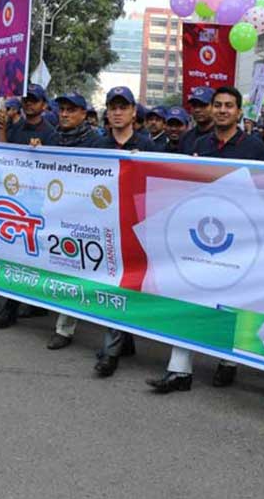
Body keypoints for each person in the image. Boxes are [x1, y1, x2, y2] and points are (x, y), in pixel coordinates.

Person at [146, 86, 264, 393]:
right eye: (218, 105)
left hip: (239, 238)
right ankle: (179, 371)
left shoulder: (256, 148)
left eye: (229, 105)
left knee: (232, 301)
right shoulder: (198, 143)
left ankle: (228, 362)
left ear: (239, 112)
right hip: (199, 233)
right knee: (188, 296)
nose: (223, 110)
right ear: (212, 110)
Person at [92, 87, 158, 377]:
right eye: (112, 107)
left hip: (136, 227)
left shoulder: (151, 147)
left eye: (123, 107)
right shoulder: (96, 145)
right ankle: (116, 346)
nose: (117, 112)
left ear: (134, 111)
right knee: (113, 283)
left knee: (128, 283)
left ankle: (115, 346)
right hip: (104, 226)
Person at [0, 86, 56, 327]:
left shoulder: (50, 133)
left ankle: (17, 306)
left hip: (37, 204)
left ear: (44, 105)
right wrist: (3, 130)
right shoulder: (16, 128)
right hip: (15, 199)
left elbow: (55, 167)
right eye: (26, 100)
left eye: (34, 101)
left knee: (29, 256)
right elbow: (5, 156)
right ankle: (14, 305)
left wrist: (42, 152)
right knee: (17, 254)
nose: (29, 104)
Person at [43, 91, 104, 349]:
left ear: (83, 114)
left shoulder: (97, 142)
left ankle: (64, 329)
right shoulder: (51, 137)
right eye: (62, 109)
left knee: (78, 268)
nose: (65, 114)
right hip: (55, 211)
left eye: (71, 110)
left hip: (85, 215)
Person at [180, 87, 215, 154]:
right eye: (194, 105)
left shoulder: (221, 136)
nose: (197, 110)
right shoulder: (186, 137)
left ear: (215, 106)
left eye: (203, 105)